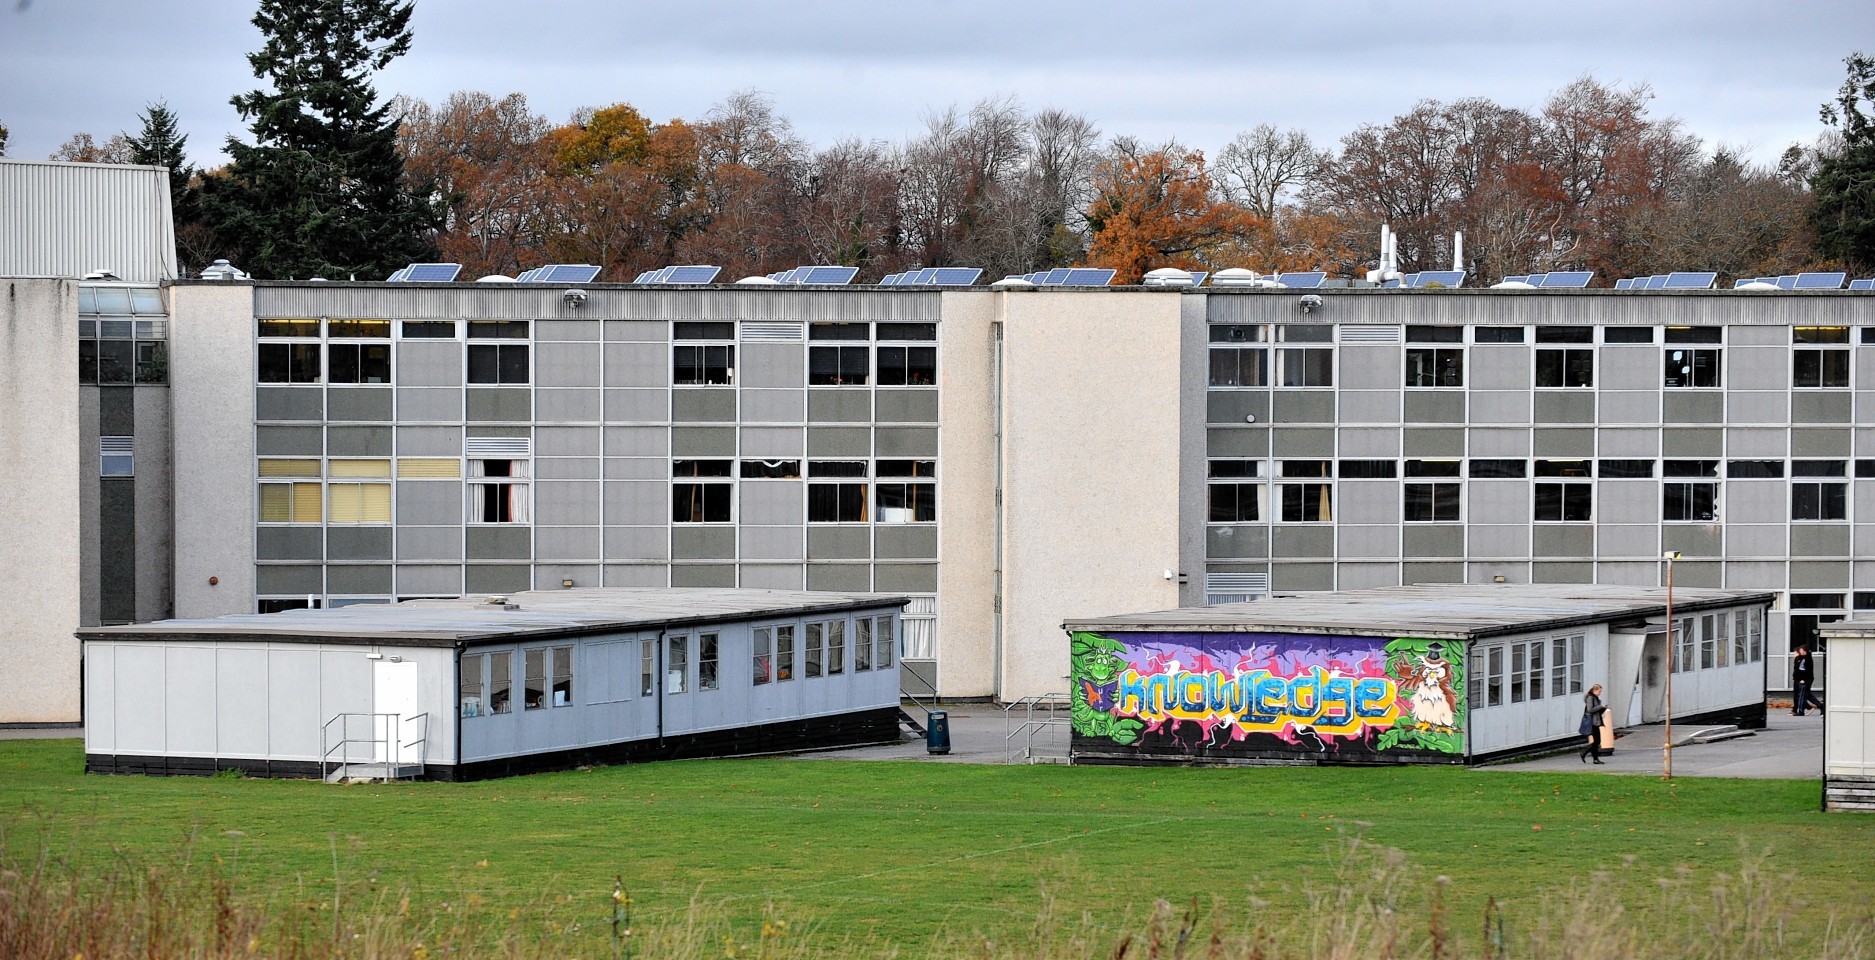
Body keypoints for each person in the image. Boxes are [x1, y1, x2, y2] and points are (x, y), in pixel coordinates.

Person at [1579, 684, 1608, 764]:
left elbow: (1597, 712)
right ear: (1594, 690)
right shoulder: (1590, 698)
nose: (1600, 693)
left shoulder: (1595, 698)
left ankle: (1595, 758)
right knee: (1597, 741)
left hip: (1596, 721)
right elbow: (1590, 710)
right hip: (1592, 722)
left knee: (1597, 741)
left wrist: (1603, 708)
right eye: (1599, 691)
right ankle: (1585, 753)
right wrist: (1600, 706)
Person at [1792, 647, 1824, 716]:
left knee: (1802, 695)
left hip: (1804, 680)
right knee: (1807, 695)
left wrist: (1803, 679)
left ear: (1805, 651)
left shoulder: (1807, 659)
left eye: (1801, 650)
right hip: (1800, 679)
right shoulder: (1800, 658)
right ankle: (1820, 705)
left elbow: (1805, 671)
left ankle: (1801, 710)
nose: (1800, 651)